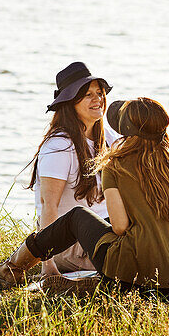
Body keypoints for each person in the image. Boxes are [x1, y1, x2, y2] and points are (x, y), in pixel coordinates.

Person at [0, 97, 169, 292]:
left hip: (138, 278)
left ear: (126, 132)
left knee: (77, 217)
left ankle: (12, 268)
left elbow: (119, 227)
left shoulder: (116, 166)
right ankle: (94, 282)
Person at [30, 61, 120, 275]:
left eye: (99, 92)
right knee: (130, 260)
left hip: (104, 231)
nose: (98, 99)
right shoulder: (60, 145)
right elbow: (48, 204)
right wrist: (48, 265)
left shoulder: (109, 138)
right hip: (70, 246)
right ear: (70, 101)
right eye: (88, 94)